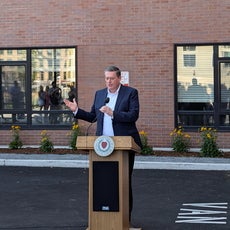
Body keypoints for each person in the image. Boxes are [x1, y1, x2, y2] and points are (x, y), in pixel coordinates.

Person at [64, 65, 142, 226]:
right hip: (102, 146)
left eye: (112, 78)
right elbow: (94, 117)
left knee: (123, 182)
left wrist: (113, 113)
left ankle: (125, 220)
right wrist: (77, 111)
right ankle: (103, 220)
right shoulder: (100, 94)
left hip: (123, 146)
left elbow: (133, 115)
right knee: (104, 182)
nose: (109, 81)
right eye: (106, 78)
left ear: (119, 78)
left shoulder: (130, 93)